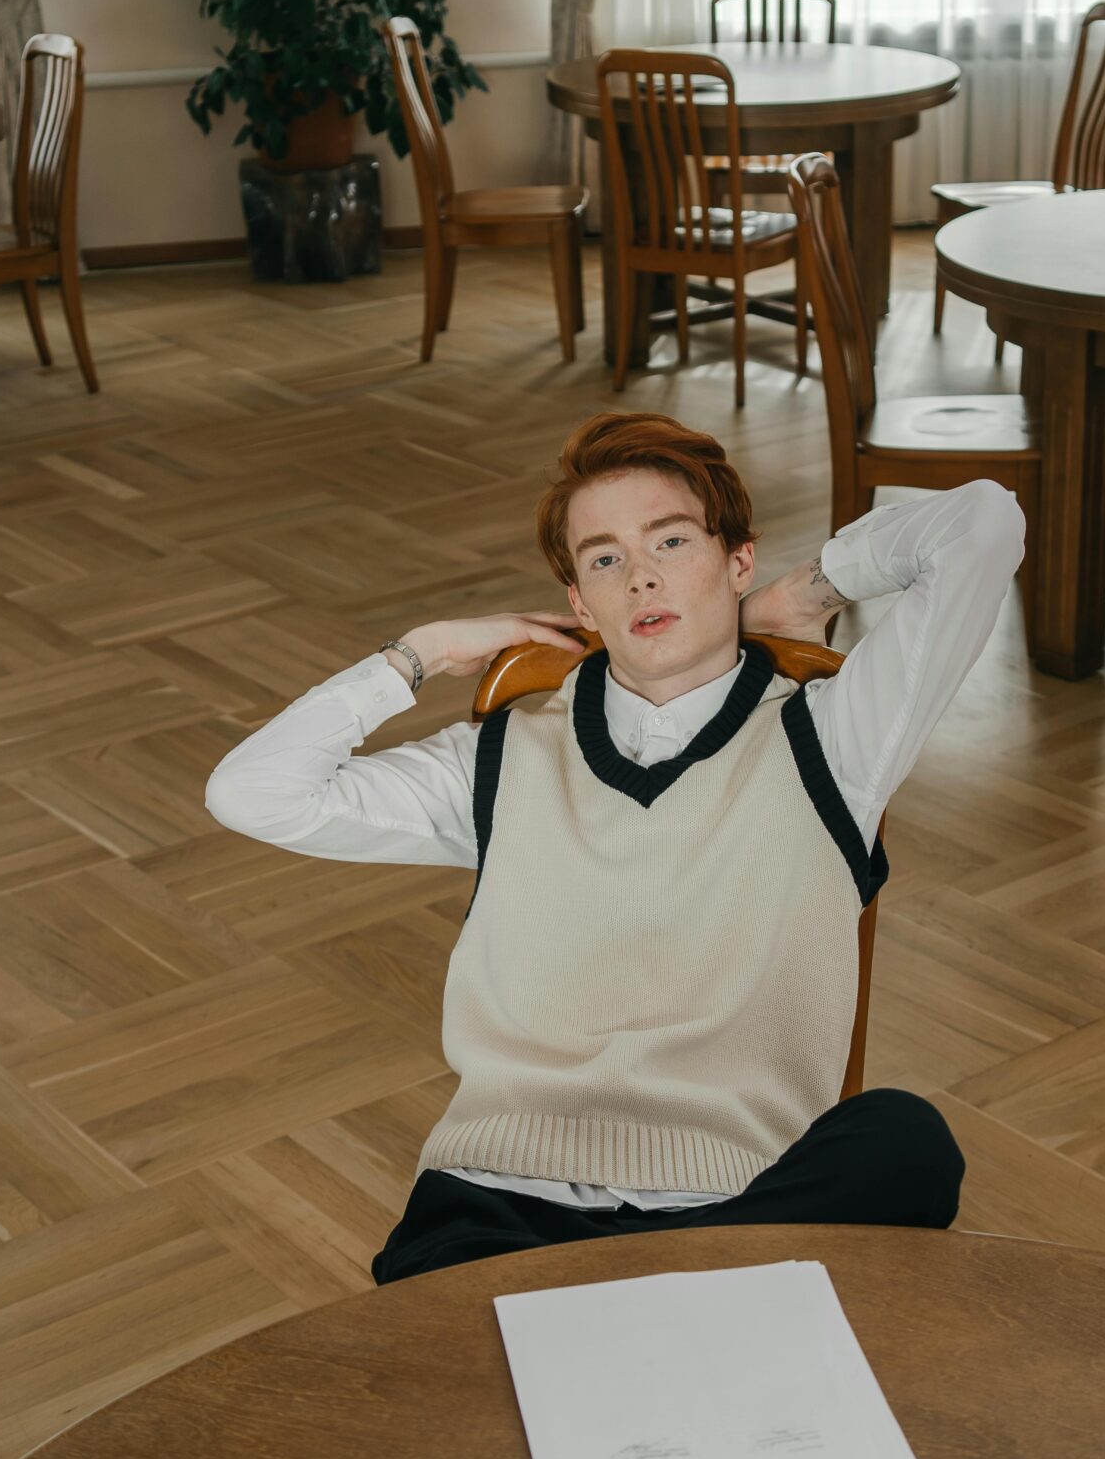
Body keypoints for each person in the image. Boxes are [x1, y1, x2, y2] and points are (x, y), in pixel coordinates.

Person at [204, 410, 1025, 1283]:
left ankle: (642, 1321)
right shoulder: (497, 759)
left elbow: (983, 523)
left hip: (742, 1202)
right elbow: (253, 793)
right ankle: (689, 1331)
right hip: (505, 1201)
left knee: (905, 1140)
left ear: (735, 560)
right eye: (604, 559)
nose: (640, 578)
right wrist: (424, 651)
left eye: (672, 543)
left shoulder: (834, 738)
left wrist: (805, 594)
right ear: (578, 603)